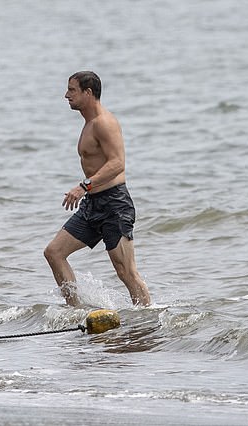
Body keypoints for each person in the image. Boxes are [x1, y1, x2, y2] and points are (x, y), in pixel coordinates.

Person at [44, 71, 151, 307]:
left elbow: (117, 164)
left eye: (72, 90)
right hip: (93, 204)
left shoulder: (104, 122)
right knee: (54, 253)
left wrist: (84, 186)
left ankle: (147, 320)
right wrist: (88, 190)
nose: (66, 95)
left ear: (88, 92)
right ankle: (77, 312)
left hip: (114, 204)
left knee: (127, 273)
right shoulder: (89, 124)